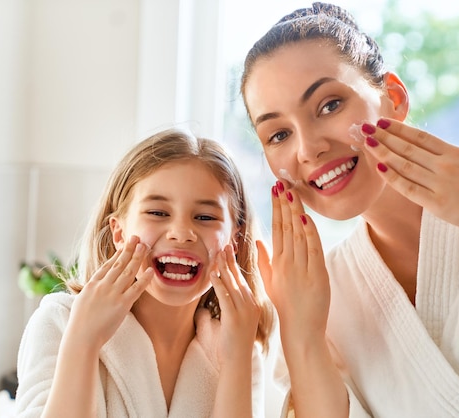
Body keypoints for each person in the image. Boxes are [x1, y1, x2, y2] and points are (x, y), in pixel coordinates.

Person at [239, 2, 459, 417]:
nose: (308, 149)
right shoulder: (322, 297)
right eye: (279, 133)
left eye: (329, 105)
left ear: (393, 97)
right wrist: (301, 335)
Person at [14, 129, 274, 417]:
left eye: (205, 217)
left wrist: (236, 358)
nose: (181, 233)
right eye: (158, 213)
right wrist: (83, 341)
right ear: (119, 232)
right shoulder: (60, 324)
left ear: (234, 242)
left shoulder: (237, 346)